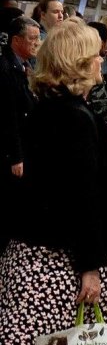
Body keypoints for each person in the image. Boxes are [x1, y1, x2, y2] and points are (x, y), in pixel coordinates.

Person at [0, 20, 107, 345]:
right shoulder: (72, 118)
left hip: (48, 254)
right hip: (66, 264)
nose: (100, 60)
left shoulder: (51, 107)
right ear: (77, 62)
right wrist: (90, 269)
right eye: (94, 55)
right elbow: (82, 198)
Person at [0, 16, 39, 252]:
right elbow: (8, 116)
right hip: (14, 154)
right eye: (32, 39)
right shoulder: (6, 70)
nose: (36, 43)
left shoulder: (22, 65)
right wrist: (16, 156)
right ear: (16, 40)